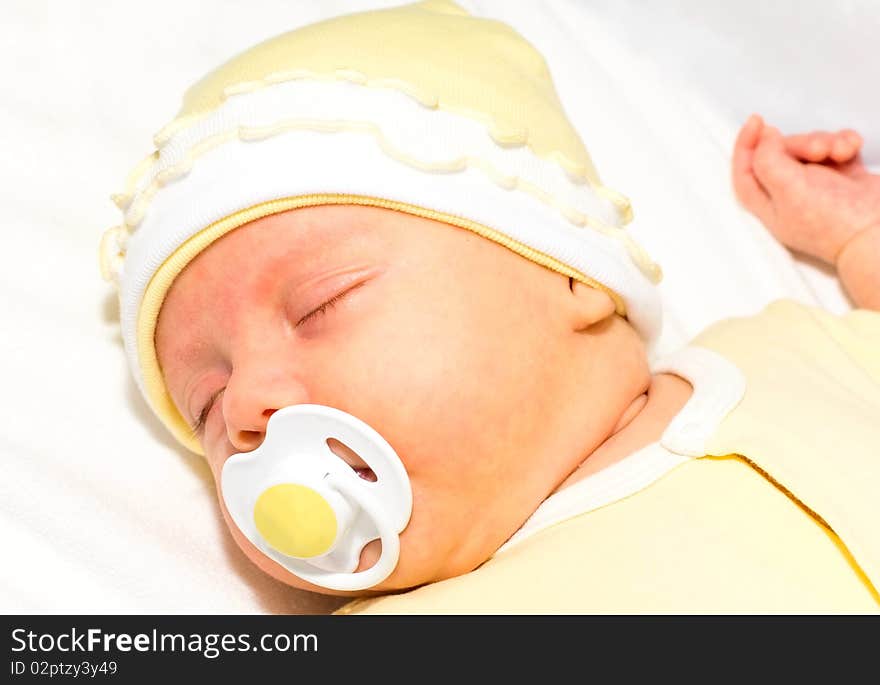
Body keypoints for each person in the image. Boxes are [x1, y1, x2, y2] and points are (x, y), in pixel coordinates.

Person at [99, 0, 880, 612]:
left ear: (572, 275)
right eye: (203, 405)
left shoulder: (786, 355)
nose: (246, 405)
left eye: (322, 304)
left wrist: (855, 235)